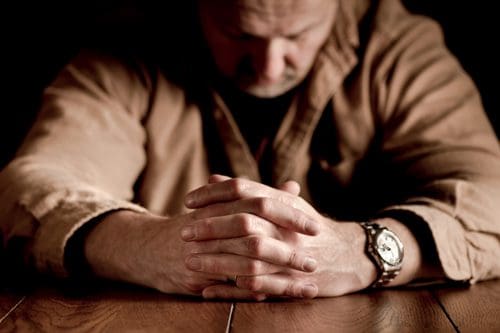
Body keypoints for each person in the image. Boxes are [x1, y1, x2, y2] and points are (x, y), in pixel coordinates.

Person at [1, 0, 499, 300]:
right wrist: (143, 246)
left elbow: (492, 193)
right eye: (238, 33)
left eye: (297, 36)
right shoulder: (132, 44)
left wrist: (365, 250)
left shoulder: (398, 47)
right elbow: (30, 185)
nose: (267, 65)